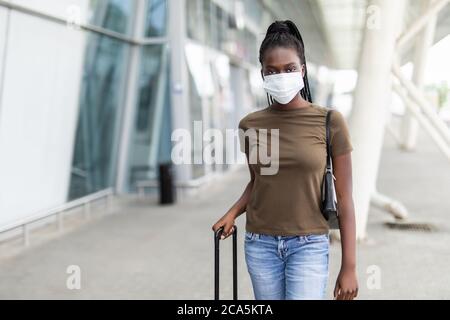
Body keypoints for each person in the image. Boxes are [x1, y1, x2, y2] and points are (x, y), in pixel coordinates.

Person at [212, 20, 358, 300]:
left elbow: (346, 197)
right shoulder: (249, 125)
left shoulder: (330, 121)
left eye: (289, 69)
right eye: (272, 71)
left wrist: (349, 266)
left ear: (302, 70)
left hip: (309, 245)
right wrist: (232, 214)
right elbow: (258, 181)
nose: (281, 76)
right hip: (260, 244)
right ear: (263, 75)